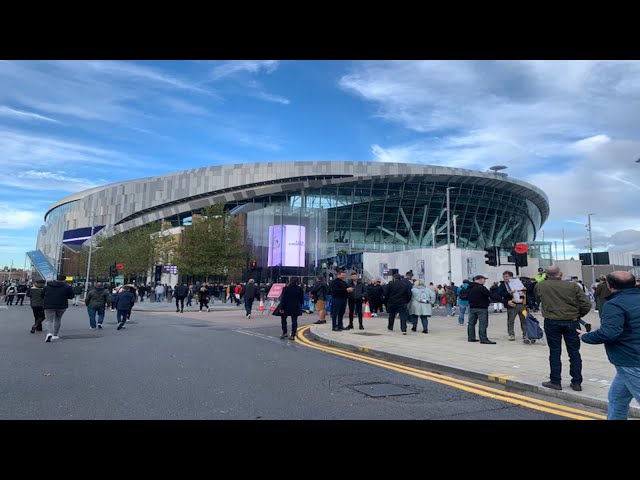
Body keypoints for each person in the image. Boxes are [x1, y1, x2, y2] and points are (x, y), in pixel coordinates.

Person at [578, 271, 640, 420]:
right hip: (631, 359)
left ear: (609, 286)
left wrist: (586, 336)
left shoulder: (614, 305)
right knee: (617, 398)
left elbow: (609, 333)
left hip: (630, 360)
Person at [534, 265, 592, 391]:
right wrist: (578, 315)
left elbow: (537, 298)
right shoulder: (572, 286)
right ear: (560, 274)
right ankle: (576, 382)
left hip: (552, 321)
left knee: (554, 351)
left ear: (546, 275)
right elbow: (586, 304)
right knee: (574, 352)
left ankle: (555, 381)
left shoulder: (541, 286)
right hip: (571, 321)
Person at [465, 275, 503, 344]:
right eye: (484, 279)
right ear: (479, 280)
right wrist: (503, 301)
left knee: (471, 323)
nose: (485, 281)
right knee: (483, 323)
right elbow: (491, 295)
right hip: (481, 307)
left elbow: (464, 296)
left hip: (472, 307)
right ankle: (483, 338)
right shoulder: (481, 288)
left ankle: (471, 337)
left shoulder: (469, 287)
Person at [42, 275, 74, 342]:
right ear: (64, 280)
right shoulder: (67, 287)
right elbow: (71, 296)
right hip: (61, 305)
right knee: (58, 319)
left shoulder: (47, 286)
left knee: (48, 320)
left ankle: (49, 333)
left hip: (49, 305)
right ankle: (55, 335)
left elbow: (42, 295)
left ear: (56, 279)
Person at [498, 271, 528, 342]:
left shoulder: (518, 283)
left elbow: (527, 291)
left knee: (524, 320)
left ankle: (525, 334)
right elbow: (500, 293)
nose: (505, 278)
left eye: (506, 276)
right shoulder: (503, 285)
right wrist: (509, 293)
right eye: (504, 276)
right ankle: (511, 334)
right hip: (512, 304)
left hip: (522, 304)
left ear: (511, 277)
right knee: (511, 320)